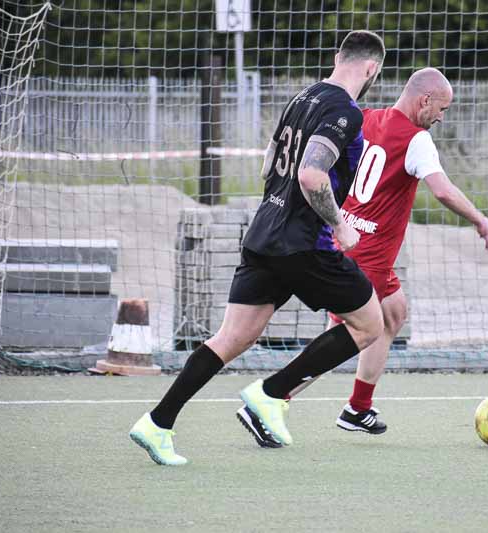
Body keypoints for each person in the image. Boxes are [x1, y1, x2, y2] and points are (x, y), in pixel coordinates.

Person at [129, 30, 386, 465]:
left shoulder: (301, 98)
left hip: (264, 232)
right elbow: (311, 176)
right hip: (303, 243)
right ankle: (271, 393)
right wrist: (339, 225)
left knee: (232, 338)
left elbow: (268, 164)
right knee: (369, 325)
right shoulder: (345, 110)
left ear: (337, 57)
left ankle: (157, 423)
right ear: (371, 68)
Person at [310, 67, 488, 436]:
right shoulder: (417, 139)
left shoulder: (366, 118)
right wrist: (479, 218)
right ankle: (273, 398)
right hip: (370, 255)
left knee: (393, 313)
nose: (441, 117)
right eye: (441, 108)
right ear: (425, 100)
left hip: (347, 239)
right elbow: (442, 191)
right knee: (342, 337)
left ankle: (357, 408)